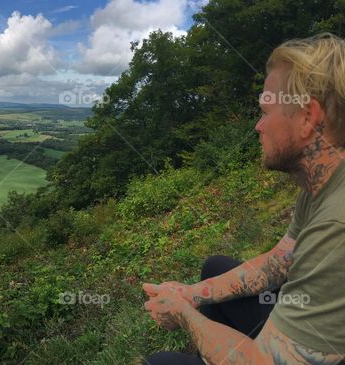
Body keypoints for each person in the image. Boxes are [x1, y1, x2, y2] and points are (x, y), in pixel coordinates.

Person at [141, 33, 345, 364]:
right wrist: (190, 294)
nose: (257, 126)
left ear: (307, 117)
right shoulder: (322, 183)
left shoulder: (337, 224)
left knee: (160, 363)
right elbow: (279, 263)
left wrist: (183, 315)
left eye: (266, 111)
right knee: (214, 269)